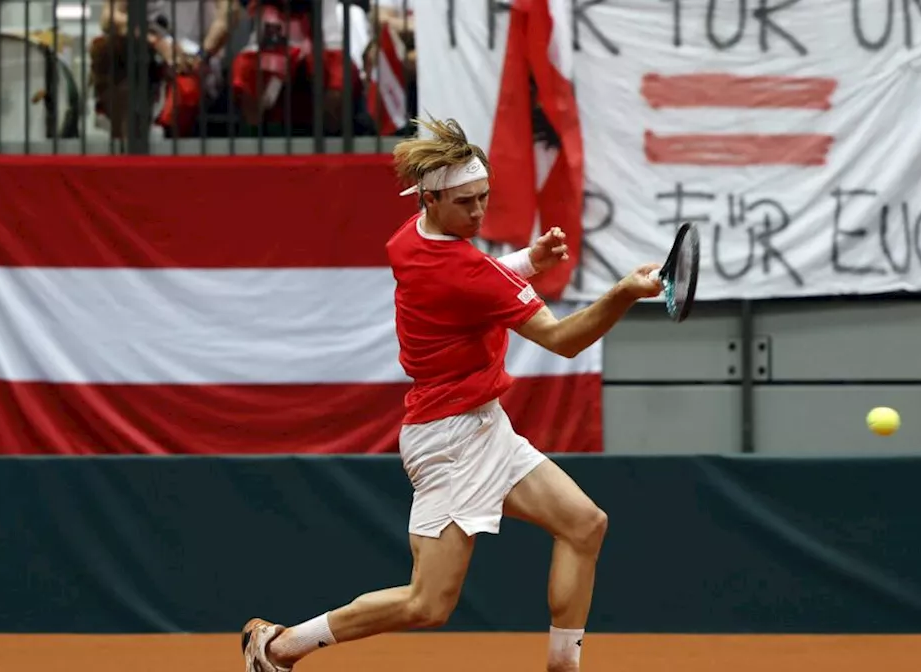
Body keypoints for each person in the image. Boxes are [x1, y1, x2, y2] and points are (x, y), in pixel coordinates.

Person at [241, 116, 662, 672]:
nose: (480, 213)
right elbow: (562, 340)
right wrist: (626, 293)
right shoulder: (467, 271)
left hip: (485, 426)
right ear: (432, 198)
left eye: (485, 198)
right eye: (466, 203)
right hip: (449, 442)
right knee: (427, 604)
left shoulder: (410, 238)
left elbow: (475, 281)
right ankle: (280, 646)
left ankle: (564, 667)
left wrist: (527, 262)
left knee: (585, 524)